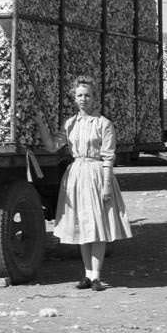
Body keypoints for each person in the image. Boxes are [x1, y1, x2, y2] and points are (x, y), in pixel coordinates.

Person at [52, 75, 131, 290]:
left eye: (87, 95)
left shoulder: (103, 124)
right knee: (83, 225)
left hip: (96, 174)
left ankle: (96, 276)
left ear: (94, 98)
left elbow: (108, 157)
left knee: (98, 226)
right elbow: (53, 146)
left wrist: (106, 185)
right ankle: (87, 275)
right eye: (79, 95)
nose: (83, 99)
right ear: (74, 98)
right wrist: (41, 123)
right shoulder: (70, 124)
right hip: (76, 174)